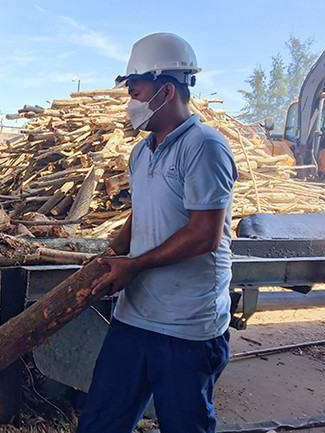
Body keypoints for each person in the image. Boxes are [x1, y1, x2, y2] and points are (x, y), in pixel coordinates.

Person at [77, 33, 238, 433]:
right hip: (134, 318)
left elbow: (204, 235)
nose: (129, 101)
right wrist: (108, 255)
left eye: (135, 91)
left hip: (187, 329)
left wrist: (134, 265)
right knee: (100, 421)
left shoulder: (205, 147)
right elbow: (141, 215)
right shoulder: (142, 150)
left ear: (167, 91)